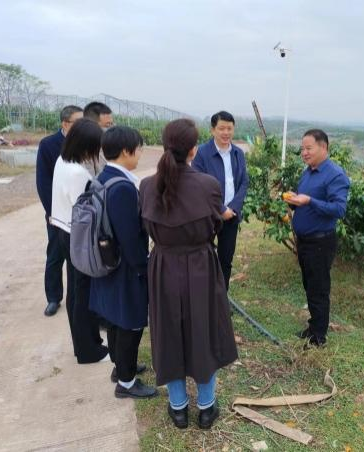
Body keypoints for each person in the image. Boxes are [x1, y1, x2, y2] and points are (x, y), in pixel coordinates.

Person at [140, 118, 238, 430]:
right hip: (200, 265)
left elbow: (145, 226)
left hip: (163, 266)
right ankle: (207, 407)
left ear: (165, 145)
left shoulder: (146, 186)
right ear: (194, 149)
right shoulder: (209, 185)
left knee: (168, 332)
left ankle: (178, 407)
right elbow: (216, 224)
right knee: (203, 330)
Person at [88, 126, 156, 398]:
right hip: (125, 267)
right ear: (127, 151)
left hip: (108, 262)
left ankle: (120, 367)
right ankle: (126, 383)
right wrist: (144, 267)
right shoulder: (123, 188)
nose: (140, 154)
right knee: (131, 323)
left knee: (116, 319)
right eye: (139, 149)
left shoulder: (103, 177)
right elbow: (129, 237)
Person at [283, 129, 350, 348]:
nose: (304, 152)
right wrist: (294, 201)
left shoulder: (335, 175)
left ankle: (319, 336)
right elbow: (305, 202)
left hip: (320, 242)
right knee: (309, 285)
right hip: (305, 241)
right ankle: (313, 327)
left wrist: (309, 201)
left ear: (324, 147)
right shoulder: (308, 172)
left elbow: (339, 209)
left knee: (319, 288)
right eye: (302, 148)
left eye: (308, 148)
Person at [50, 118, 109, 363]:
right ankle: (88, 350)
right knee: (83, 293)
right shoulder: (77, 173)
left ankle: (84, 345)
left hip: (63, 229)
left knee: (76, 290)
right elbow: (85, 212)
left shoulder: (63, 161)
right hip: (77, 235)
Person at [192, 111, 248, 290]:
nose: (226, 133)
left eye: (229, 128)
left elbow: (243, 183)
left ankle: (222, 297)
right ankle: (203, 295)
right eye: (222, 128)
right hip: (208, 216)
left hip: (231, 216)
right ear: (212, 130)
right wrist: (220, 209)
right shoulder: (202, 153)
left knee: (226, 259)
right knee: (203, 257)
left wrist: (232, 208)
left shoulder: (238, 153)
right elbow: (199, 185)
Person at [36, 105, 83, 316]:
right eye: (78, 122)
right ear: (65, 123)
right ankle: (53, 297)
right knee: (55, 255)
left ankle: (79, 299)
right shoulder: (48, 145)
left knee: (80, 258)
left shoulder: (85, 144)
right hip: (58, 214)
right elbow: (43, 182)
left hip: (81, 214)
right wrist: (52, 212)